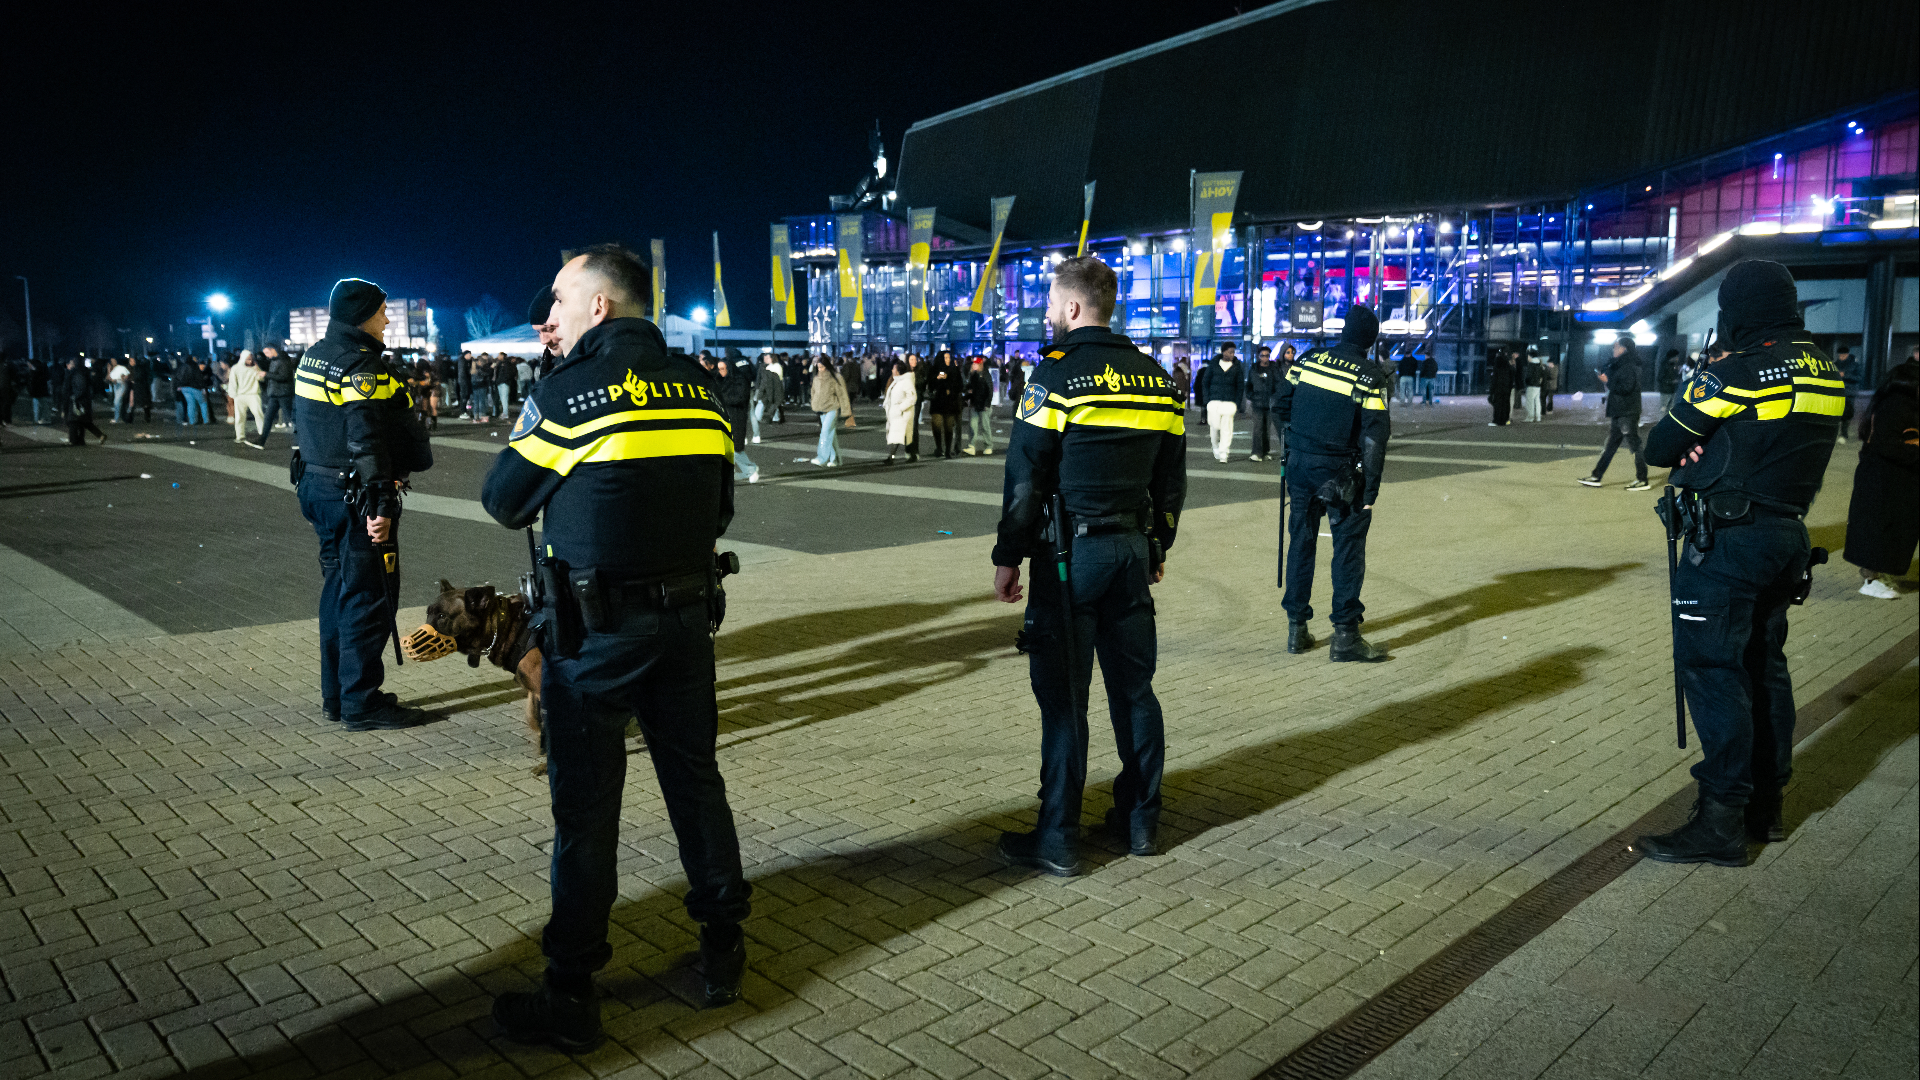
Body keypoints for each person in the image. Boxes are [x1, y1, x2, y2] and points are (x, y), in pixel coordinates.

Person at [482, 243, 751, 1046]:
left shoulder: (571, 394)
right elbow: (721, 511)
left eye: (561, 300)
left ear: (600, 306)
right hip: (685, 625)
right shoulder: (701, 391)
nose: (550, 316)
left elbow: (503, 499)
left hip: (596, 636)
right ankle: (724, 951)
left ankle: (570, 993)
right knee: (697, 787)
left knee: (588, 812)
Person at [1636, 260, 1845, 865]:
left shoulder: (1736, 373)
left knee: (1713, 668)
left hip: (1728, 540)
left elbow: (1659, 447)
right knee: (1764, 669)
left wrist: (1704, 412)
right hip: (1786, 537)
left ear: (1735, 313)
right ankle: (1767, 808)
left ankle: (1721, 821)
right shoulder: (1824, 369)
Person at [991, 255, 1185, 876]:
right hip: (1130, 555)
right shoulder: (1158, 379)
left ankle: (1058, 839)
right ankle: (1140, 823)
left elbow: (1025, 480)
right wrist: (1156, 547)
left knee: (1065, 701)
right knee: (1135, 692)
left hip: (1069, 560)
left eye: (1051, 303)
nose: (1048, 314)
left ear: (1073, 308)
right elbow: (1172, 485)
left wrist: (1008, 557)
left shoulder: (1055, 378)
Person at [291, 277, 438, 734]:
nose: (388, 318)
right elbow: (365, 438)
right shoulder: (360, 367)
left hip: (318, 489)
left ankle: (337, 695)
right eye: (381, 311)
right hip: (354, 498)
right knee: (369, 599)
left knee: (338, 592)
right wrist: (380, 505)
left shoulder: (316, 355)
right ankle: (362, 701)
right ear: (361, 315)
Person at [1273, 304, 1390, 663]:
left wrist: (1292, 449)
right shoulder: (1370, 376)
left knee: (1301, 543)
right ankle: (1345, 636)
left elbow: (1281, 406)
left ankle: (1297, 629)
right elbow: (1374, 438)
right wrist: (1369, 491)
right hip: (1341, 476)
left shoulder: (1308, 361)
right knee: (1348, 550)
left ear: (1343, 330)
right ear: (1371, 339)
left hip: (1300, 469)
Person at [1843, 349, 1918, 599]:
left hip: (1894, 480)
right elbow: (1886, 444)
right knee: (1879, 530)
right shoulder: (1896, 405)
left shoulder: (1900, 404)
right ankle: (1871, 581)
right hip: (1883, 480)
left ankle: (1881, 577)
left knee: (1893, 530)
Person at [1578, 336, 1650, 490]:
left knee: (1635, 444)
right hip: (1620, 410)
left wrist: (1607, 381)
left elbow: (1626, 388)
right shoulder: (1622, 364)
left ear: (1624, 348)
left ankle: (1642, 479)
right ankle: (1596, 476)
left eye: (1616, 346)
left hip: (1627, 411)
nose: (1613, 349)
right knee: (1611, 444)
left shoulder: (1629, 365)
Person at [1195, 342, 1246, 463]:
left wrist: (1237, 403)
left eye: (1233, 352)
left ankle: (1224, 453)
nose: (1232, 354)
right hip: (1214, 401)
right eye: (1230, 352)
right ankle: (1215, 447)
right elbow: (1205, 382)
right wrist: (1207, 400)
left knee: (1226, 429)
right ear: (1223, 352)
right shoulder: (1213, 365)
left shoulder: (1237, 366)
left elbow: (1240, 386)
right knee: (1214, 426)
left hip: (1229, 402)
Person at [714, 356, 758, 483]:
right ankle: (741, 471)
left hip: (736, 417)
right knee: (727, 449)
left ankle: (750, 469)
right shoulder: (719, 380)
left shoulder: (740, 380)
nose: (721, 371)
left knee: (734, 448)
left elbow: (739, 398)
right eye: (719, 369)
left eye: (723, 369)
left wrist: (722, 398)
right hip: (724, 417)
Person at [809, 355, 848, 466]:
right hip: (821, 409)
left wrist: (845, 410)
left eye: (822, 367)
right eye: (819, 367)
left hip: (832, 408)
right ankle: (835, 459)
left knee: (825, 433)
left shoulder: (835, 377)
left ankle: (821, 458)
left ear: (826, 366)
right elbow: (813, 392)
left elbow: (842, 394)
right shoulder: (817, 378)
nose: (820, 369)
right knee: (830, 434)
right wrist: (814, 403)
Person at [256, 344, 297, 447]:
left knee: (291, 417)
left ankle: (300, 441)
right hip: (275, 394)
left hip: (283, 394)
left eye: (267, 352)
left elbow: (284, 376)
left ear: (273, 350)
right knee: (268, 418)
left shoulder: (283, 361)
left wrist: (267, 375)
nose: (266, 355)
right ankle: (261, 441)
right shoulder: (275, 360)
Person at [1246, 345, 1280, 460]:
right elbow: (1249, 385)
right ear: (1259, 356)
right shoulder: (1254, 369)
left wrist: (1275, 398)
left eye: (1267, 356)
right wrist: (1251, 396)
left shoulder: (1274, 369)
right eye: (1262, 356)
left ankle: (1265, 452)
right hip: (1257, 403)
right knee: (1257, 428)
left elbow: (1278, 384)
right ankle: (1256, 452)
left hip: (1270, 403)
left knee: (1267, 429)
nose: (1265, 358)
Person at [62, 358, 106, 445]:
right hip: (82, 401)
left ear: (74, 364)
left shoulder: (76, 374)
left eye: (70, 363)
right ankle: (82, 439)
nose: (68, 365)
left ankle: (74, 440)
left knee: (74, 421)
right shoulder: (81, 373)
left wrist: (74, 397)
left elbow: (79, 388)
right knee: (82, 421)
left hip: (78, 402)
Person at [227, 349, 267, 445]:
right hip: (241, 395)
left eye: (251, 359)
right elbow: (232, 382)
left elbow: (261, 378)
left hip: (253, 394)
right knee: (240, 417)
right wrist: (233, 395)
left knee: (258, 414)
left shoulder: (254, 367)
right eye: (248, 359)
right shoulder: (235, 368)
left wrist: (257, 369)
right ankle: (240, 436)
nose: (250, 361)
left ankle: (262, 434)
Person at [926, 353, 963, 458]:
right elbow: (930, 384)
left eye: (949, 357)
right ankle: (939, 447)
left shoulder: (954, 370)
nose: (947, 359)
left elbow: (959, 385)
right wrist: (937, 378)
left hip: (950, 402)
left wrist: (948, 381)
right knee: (936, 425)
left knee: (948, 427)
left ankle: (947, 450)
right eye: (945, 358)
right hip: (937, 401)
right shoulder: (934, 369)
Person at [883, 359, 918, 463]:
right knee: (902, 436)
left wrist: (900, 408)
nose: (892, 370)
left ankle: (891, 457)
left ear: (898, 371)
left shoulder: (905, 382)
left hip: (902, 414)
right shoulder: (897, 381)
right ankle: (912, 455)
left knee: (897, 436)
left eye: (894, 368)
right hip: (897, 413)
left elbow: (912, 397)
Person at [962, 356, 994, 456]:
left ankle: (988, 446)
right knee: (972, 426)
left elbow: (989, 390)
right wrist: (967, 395)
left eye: (976, 364)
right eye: (974, 364)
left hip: (983, 404)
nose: (974, 365)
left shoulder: (985, 375)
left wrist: (987, 404)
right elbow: (970, 388)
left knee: (985, 426)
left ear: (980, 365)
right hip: (974, 403)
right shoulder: (973, 375)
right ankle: (972, 446)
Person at [1832, 344, 1858, 443]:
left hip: (1849, 393)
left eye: (1843, 355)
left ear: (1847, 354)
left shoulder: (1854, 365)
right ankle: (1835, 434)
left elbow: (1858, 377)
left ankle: (1844, 434)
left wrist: (1845, 375)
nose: (1841, 357)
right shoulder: (1835, 364)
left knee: (1847, 415)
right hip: (1838, 393)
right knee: (1836, 414)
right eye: (1840, 355)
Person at [177, 355, 211, 426]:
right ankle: (206, 420)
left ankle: (192, 421)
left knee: (190, 404)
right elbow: (199, 378)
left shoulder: (182, 366)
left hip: (184, 388)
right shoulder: (195, 367)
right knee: (203, 403)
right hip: (195, 387)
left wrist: (179, 386)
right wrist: (203, 388)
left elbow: (178, 376)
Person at [1487, 347, 1514, 426]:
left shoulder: (1497, 363)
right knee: (1506, 403)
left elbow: (1495, 378)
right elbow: (1511, 376)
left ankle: (1497, 420)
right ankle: (1505, 420)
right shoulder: (1508, 364)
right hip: (1506, 387)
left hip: (1499, 387)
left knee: (1498, 404)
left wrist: (1491, 390)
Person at [1521, 344, 1545, 422]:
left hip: (1531, 385)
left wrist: (1526, 381)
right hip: (1538, 385)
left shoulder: (1531, 364)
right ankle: (1538, 417)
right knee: (1537, 402)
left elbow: (1529, 375)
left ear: (1530, 356)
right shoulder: (1539, 364)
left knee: (1530, 402)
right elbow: (1542, 375)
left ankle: (1530, 417)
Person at [1657, 347, 1683, 414]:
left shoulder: (1674, 365)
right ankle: (1662, 423)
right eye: (1676, 356)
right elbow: (1659, 378)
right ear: (1673, 357)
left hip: (1673, 390)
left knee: (1670, 409)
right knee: (1663, 409)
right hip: (1665, 391)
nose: (1678, 358)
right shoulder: (1664, 365)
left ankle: (1667, 423)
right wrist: (1671, 381)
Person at [107, 356, 132, 422]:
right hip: (116, 384)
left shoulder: (121, 368)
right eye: (112, 361)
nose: (113, 362)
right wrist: (109, 370)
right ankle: (119, 417)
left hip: (120, 384)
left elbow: (126, 376)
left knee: (116, 401)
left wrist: (123, 378)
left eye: (114, 360)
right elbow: (109, 378)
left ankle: (117, 418)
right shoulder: (113, 369)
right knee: (118, 401)